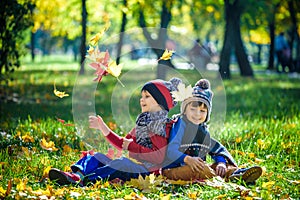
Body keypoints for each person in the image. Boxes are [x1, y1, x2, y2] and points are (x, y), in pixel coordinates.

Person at [49, 77, 182, 186]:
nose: (142, 99)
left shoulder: (160, 126)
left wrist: (132, 146)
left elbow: (158, 156)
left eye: (147, 96)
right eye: (142, 96)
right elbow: (122, 143)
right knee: (95, 156)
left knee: (122, 163)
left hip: (148, 172)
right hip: (134, 166)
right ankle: (76, 176)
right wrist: (103, 128)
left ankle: (86, 180)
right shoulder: (143, 122)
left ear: (160, 102)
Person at [162, 79, 262, 184]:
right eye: (193, 109)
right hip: (173, 170)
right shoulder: (180, 124)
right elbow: (171, 151)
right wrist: (187, 159)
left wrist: (221, 163)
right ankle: (225, 177)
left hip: (197, 167)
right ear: (185, 110)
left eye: (202, 111)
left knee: (222, 166)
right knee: (201, 169)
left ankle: (234, 173)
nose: (197, 114)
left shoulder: (202, 130)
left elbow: (216, 148)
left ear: (207, 114)